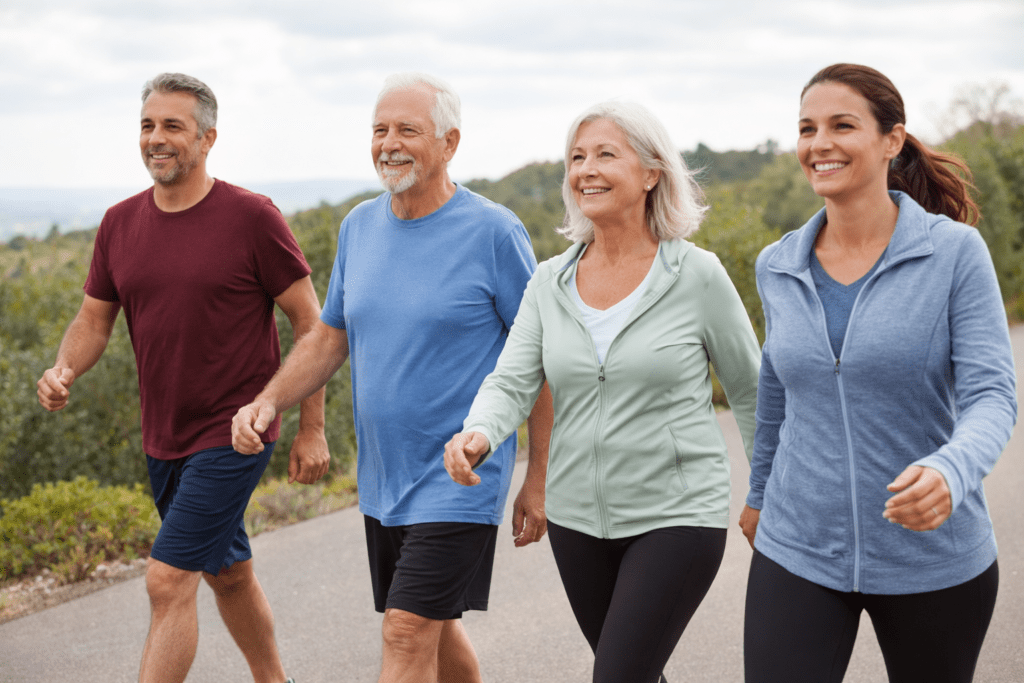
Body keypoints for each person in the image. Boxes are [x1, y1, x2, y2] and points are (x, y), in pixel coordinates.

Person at [231, 72, 553, 683]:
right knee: (435, 628)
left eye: (408, 129)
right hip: (384, 478)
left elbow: (537, 359)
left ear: (450, 143)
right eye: (379, 130)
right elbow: (329, 336)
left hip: (461, 476)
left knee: (405, 631)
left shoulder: (494, 232)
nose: (389, 143)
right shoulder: (359, 227)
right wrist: (268, 401)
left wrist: (535, 479)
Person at [444, 100, 761, 683]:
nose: (585, 168)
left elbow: (752, 391)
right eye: (577, 157)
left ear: (650, 173)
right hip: (577, 521)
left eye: (605, 154)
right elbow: (512, 380)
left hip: (678, 512)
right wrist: (480, 432)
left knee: (617, 676)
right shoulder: (549, 282)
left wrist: (769, 489)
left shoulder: (697, 276)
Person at [35, 73, 327, 683]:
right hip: (163, 436)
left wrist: (310, 429)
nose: (156, 139)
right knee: (229, 573)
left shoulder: (252, 217)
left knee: (168, 580)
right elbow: (94, 319)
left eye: (173, 126)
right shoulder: (118, 223)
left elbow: (312, 326)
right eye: (147, 125)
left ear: (208, 138)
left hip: (236, 434)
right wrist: (64, 368)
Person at [739, 63, 1017, 683]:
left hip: (932, 556)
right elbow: (777, 394)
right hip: (798, 545)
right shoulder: (777, 264)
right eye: (808, 128)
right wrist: (758, 495)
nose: (820, 144)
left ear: (891, 140)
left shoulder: (953, 253)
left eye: (842, 125)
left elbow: (993, 393)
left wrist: (952, 469)